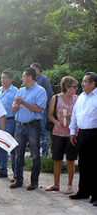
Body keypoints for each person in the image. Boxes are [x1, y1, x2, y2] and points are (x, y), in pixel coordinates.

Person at [10, 67, 47, 191]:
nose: (22, 78)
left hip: (33, 126)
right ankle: (18, 179)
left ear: (30, 77)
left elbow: (38, 109)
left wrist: (23, 102)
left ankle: (34, 181)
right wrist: (16, 106)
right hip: (19, 125)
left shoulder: (41, 91)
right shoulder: (20, 90)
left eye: (23, 76)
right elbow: (13, 107)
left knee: (35, 155)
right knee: (18, 154)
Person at [45, 76, 78, 194]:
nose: (76, 89)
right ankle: (56, 184)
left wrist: (72, 117)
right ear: (67, 87)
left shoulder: (77, 99)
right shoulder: (56, 98)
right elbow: (49, 114)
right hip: (58, 133)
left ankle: (69, 185)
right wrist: (56, 122)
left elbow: (81, 115)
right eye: (74, 87)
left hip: (71, 134)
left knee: (71, 160)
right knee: (57, 159)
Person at [69, 72, 97, 207]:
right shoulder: (81, 97)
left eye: (86, 81)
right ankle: (83, 191)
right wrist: (72, 131)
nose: (83, 84)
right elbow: (75, 115)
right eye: (83, 81)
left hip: (94, 133)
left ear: (93, 83)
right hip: (82, 134)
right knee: (83, 164)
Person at [0, 71, 18, 182]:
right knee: (0, 146)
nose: (3, 80)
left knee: (12, 147)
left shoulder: (16, 91)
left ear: (11, 79)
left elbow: (17, 107)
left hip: (11, 121)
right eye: (2, 78)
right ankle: (2, 170)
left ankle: (16, 173)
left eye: (5, 78)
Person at [30, 63, 53, 157]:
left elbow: (50, 94)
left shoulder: (43, 79)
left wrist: (47, 109)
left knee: (43, 130)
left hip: (42, 110)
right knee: (33, 131)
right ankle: (35, 154)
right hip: (32, 110)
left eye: (32, 69)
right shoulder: (32, 80)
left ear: (37, 70)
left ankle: (45, 153)